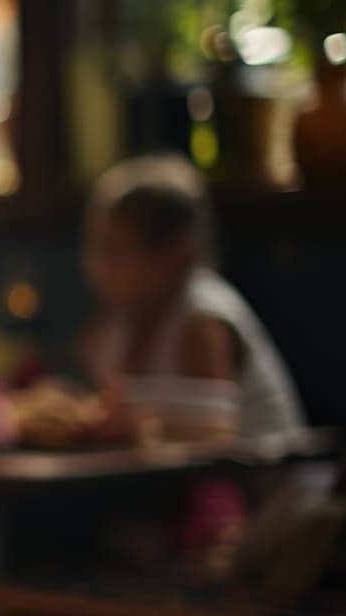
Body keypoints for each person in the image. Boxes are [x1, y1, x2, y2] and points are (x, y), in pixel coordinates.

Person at [79, 153, 305, 441]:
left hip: (266, 483)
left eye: (115, 251)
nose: (97, 267)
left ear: (176, 252)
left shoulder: (203, 315)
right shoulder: (122, 321)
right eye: (96, 249)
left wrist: (140, 420)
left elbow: (218, 429)